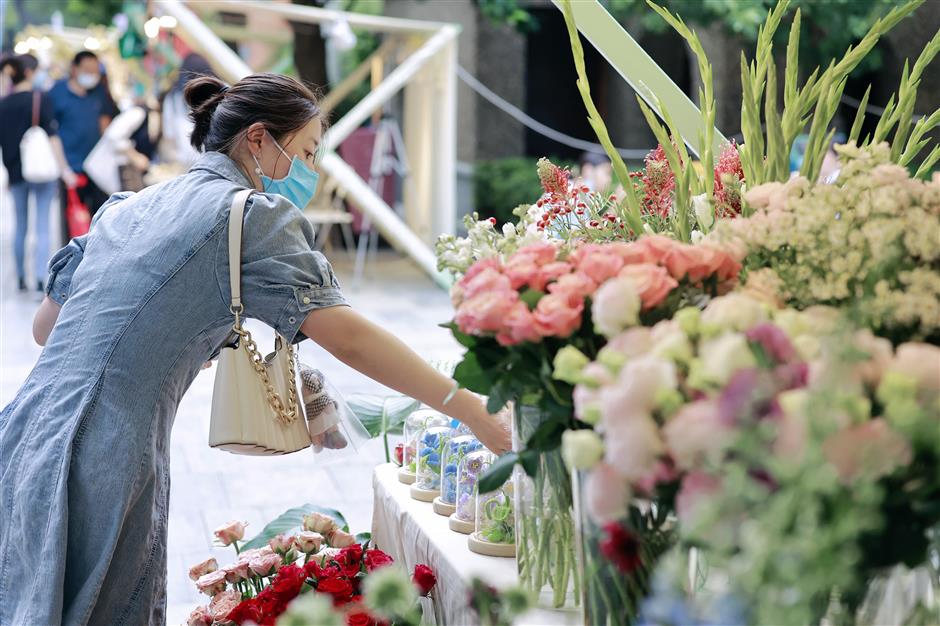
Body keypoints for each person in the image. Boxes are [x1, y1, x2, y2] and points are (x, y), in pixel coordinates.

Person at [0, 73, 510, 625]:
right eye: (308, 152)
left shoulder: (128, 207)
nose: (311, 171)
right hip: (107, 451)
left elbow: (47, 327)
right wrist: (468, 407)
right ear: (259, 139)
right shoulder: (251, 215)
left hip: (25, 431)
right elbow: (351, 338)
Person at [0, 53, 76, 292]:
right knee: (42, 226)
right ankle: (42, 279)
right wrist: (64, 169)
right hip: (42, 171)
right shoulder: (41, 99)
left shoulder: (4, 103)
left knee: (20, 226)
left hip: (15, 171)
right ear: (30, 72)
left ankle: (21, 277)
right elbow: (53, 138)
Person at [48, 50, 116, 243]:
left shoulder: (99, 93)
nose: (92, 75)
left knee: (99, 217)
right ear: (74, 69)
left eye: (95, 71)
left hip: (96, 167)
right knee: (71, 221)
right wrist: (63, 168)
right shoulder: (57, 92)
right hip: (70, 169)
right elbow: (51, 132)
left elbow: (105, 126)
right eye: (87, 70)